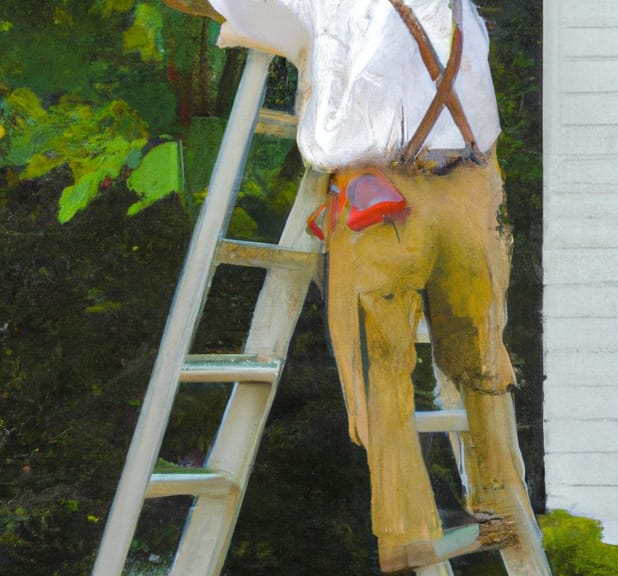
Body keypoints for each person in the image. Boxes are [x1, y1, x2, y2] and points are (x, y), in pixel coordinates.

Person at [174, 1, 551, 573]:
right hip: (473, 194)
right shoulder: (464, 15)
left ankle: (407, 530)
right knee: (483, 366)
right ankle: (501, 496)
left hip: (381, 196)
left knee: (382, 366)